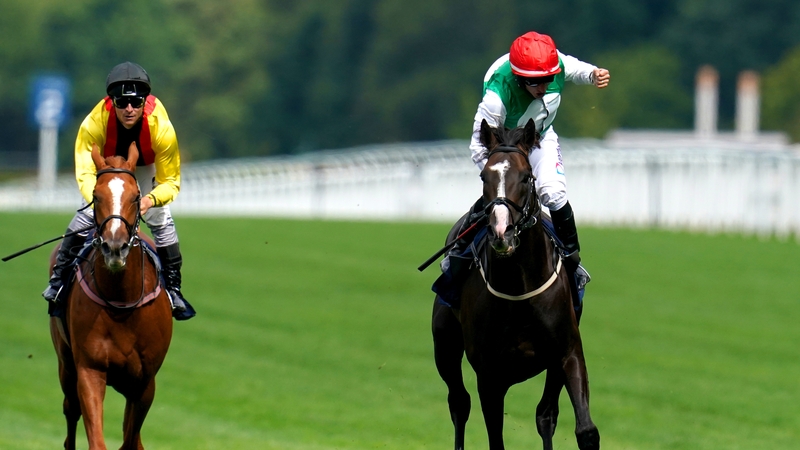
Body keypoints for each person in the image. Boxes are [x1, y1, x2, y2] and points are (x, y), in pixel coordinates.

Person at [438, 31, 610, 308]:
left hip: (538, 138)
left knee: (553, 194)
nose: (542, 87)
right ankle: (458, 256)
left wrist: (594, 74)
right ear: (518, 77)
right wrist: (503, 176)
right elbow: (477, 147)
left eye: (546, 80)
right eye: (534, 82)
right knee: (500, 198)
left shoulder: (554, 68)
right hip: (503, 146)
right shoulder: (497, 96)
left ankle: (572, 262)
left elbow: (574, 68)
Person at [42, 61, 196, 321]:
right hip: (107, 166)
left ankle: (173, 290)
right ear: (111, 101)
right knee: (88, 213)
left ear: (144, 101)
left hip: (145, 166)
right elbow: (85, 172)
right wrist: (103, 202)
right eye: (122, 103)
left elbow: (171, 181)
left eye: (136, 103)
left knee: (160, 217)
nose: (128, 109)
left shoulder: (161, 127)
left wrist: (150, 200)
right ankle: (58, 282)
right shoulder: (94, 122)